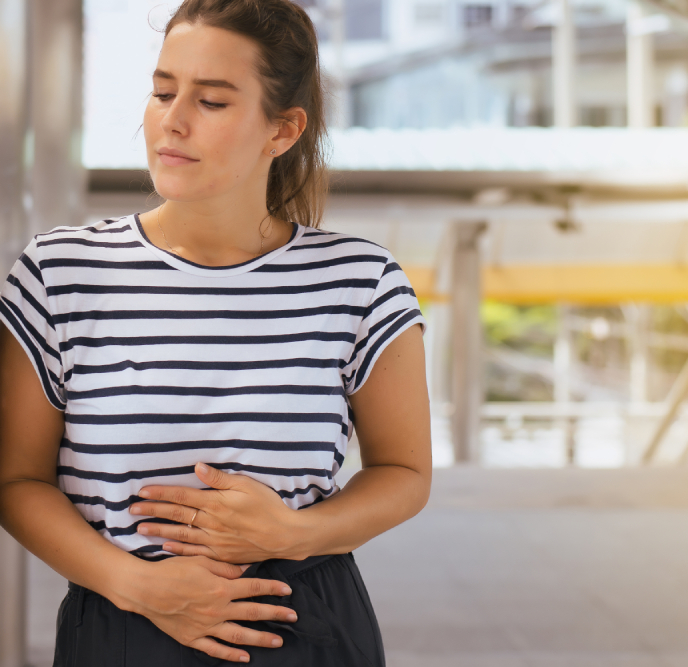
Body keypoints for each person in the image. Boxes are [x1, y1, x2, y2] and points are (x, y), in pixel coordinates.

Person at [0, 0, 431, 664]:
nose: (171, 121)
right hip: (122, 625)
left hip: (309, 625)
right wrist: (137, 584)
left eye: (213, 101)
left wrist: (294, 532)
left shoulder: (362, 280)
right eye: (162, 90)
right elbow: (16, 481)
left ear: (282, 130)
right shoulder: (59, 273)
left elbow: (404, 472)